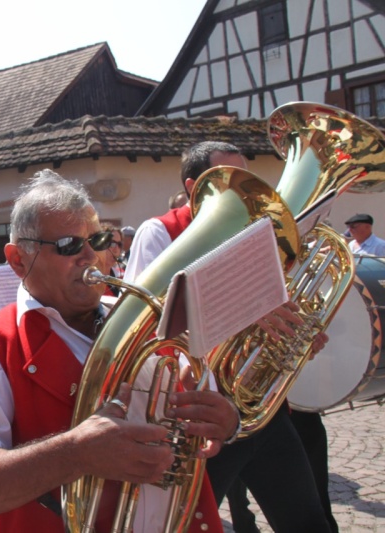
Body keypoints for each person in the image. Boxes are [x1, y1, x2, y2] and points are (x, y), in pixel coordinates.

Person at [0, 170, 239, 532]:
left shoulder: (147, 321)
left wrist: (225, 421)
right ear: (18, 260)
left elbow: (198, 414)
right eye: (67, 245)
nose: (90, 256)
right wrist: (75, 454)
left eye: (96, 240)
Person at [125, 141, 332, 532]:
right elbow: (150, 319)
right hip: (200, 412)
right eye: (231, 182)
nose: (248, 193)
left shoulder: (258, 233)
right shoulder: (159, 231)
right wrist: (247, 305)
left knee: (308, 521)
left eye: (248, 180)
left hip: (262, 408)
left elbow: (272, 314)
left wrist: (295, 334)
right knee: (188, 525)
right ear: (193, 187)